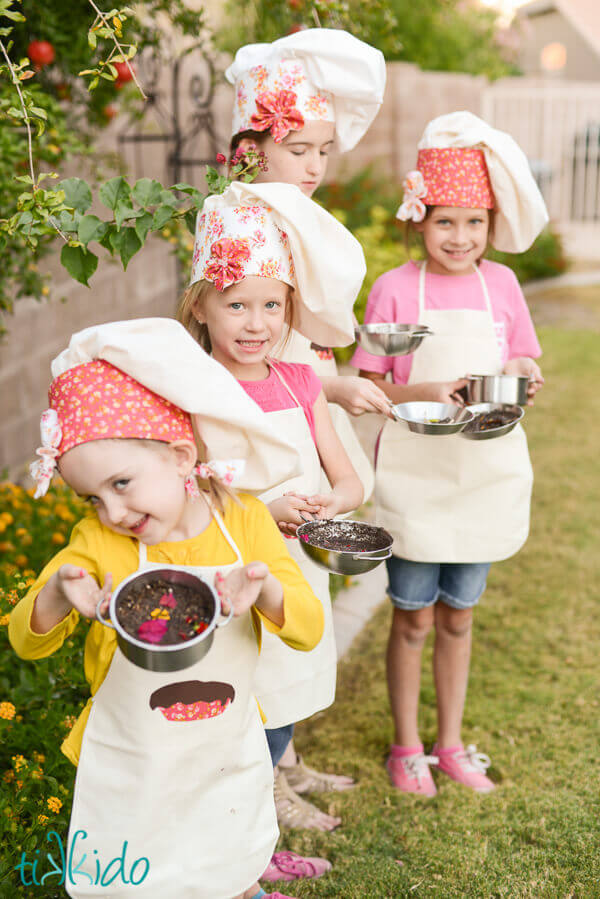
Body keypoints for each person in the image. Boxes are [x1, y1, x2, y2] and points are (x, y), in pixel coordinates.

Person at [9, 318, 326, 899]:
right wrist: (56, 593)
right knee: (146, 873)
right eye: (93, 497)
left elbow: (307, 629)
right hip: (135, 756)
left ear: (182, 457)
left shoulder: (246, 522)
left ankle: (239, 885)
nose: (112, 510)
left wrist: (267, 589)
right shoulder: (97, 544)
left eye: (122, 483)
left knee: (220, 843)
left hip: (221, 740)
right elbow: (26, 642)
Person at [351, 111, 548, 796]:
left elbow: (519, 353)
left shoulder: (503, 288)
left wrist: (524, 369)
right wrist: (431, 388)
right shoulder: (396, 289)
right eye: (444, 223)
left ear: (490, 225)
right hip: (419, 474)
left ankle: (452, 743)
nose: (459, 238)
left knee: (458, 617)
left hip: (482, 475)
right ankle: (407, 746)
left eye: (474, 223)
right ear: (417, 220)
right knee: (412, 618)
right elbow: (369, 382)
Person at [224, 31, 391, 830]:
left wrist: (328, 386)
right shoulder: (241, 218)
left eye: (324, 148)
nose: (316, 164)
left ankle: (285, 759)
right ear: (252, 145)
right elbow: (247, 353)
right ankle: (267, 778)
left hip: (301, 412)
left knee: (303, 615)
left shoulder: (294, 213)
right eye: (299, 147)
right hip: (264, 433)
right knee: (268, 627)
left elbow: (296, 343)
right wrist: (335, 382)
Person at [178, 180, 369, 834]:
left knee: (288, 681)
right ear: (201, 306)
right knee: (242, 693)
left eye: (270, 305)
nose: (256, 323)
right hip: (232, 572)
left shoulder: (301, 380)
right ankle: (250, 817)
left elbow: (347, 480)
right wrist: (267, 507)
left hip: (296, 563)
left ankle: (272, 785)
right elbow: (191, 489)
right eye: (237, 304)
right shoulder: (195, 389)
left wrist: (326, 505)